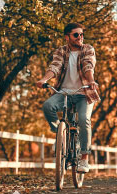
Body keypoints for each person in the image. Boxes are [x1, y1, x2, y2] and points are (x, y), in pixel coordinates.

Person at [37, 23, 101, 173]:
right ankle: (60, 137)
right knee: (48, 106)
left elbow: (88, 65)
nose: (80, 37)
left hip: (84, 93)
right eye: (76, 35)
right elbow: (55, 66)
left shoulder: (88, 49)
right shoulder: (61, 51)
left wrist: (91, 81)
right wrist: (44, 80)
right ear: (67, 37)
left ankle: (84, 159)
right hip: (63, 93)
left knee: (83, 120)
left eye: (81, 34)